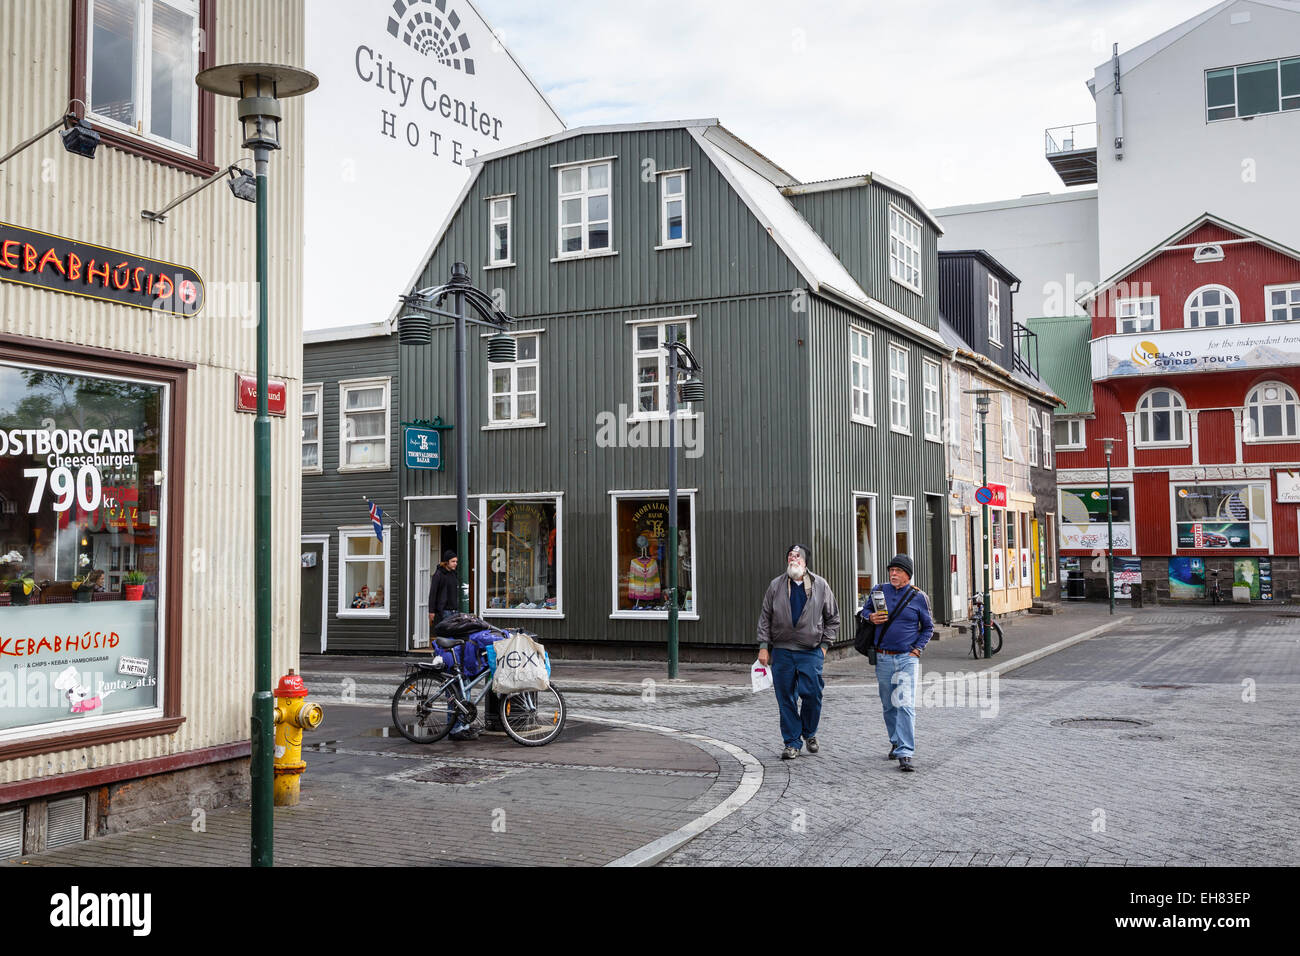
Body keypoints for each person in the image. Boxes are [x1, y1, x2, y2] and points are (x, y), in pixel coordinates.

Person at [757, 544, 840, 760]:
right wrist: (764, 647)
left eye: (798, 556)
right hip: (783, 651)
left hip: (810, 651)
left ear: (805, 562)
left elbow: (833, 618)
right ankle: (792, 742)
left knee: (812, 694)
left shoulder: (820, 585)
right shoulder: (776, 585)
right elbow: (765, 617)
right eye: (790, 556)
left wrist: (824, 646)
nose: (793, 559)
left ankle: (809, 732)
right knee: (785, 698)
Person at [864, 554, 934, 773]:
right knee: (889, 704)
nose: (893, 574)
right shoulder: (878, 591)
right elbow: (864, 612)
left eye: (898, 571)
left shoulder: (919, 597)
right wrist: (870, 617)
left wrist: (917, 649)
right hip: (883, 656)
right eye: (891, 570)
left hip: (906, 658)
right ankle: (895, 740)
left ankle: (905, 752)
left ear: (907, 575)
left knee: (905, 703)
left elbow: (928, 627)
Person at [428, 550, 460, 628]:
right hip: (444, 611)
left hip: (455, 610)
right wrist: (431, 611)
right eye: (453, 561)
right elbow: (433, 593)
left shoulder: (454, 573)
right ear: (446, 562)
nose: (455, 563)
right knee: (446, 636)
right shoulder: (438, 575)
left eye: (456, 561)